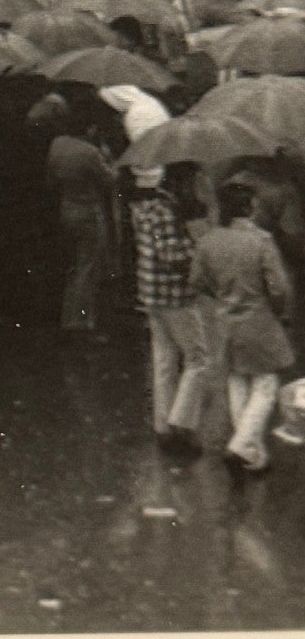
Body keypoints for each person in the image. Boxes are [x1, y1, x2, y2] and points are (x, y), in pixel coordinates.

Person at [192, 181, 295, 475]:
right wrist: (278, 310)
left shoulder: (208, 241)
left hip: (225, 320)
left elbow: (197, 281)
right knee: (265, 385)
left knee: (237, 381)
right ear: (249, 208)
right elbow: (279, 287)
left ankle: (253, 454)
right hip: (259, 320)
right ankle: (240, 445)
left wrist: (223, 295)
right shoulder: (261, 241)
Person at [126, 166, 211, 455]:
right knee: (198, 359)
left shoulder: (139, 208)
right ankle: (181, 424)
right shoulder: (162, 210)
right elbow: (170, 255)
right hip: (173, 294)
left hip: (149, 291)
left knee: (164, 359)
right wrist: (196, 246)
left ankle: (162, 425)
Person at [45, 116, 118, 336]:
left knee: (74, 265)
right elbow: (110, 179)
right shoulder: (90, 152)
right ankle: (81, 321)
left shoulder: (57, 144)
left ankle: (69, 316)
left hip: (66, 207)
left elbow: (51, 179)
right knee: (88, 266)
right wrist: (110, 159)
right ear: (90, 127)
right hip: (89, 210)